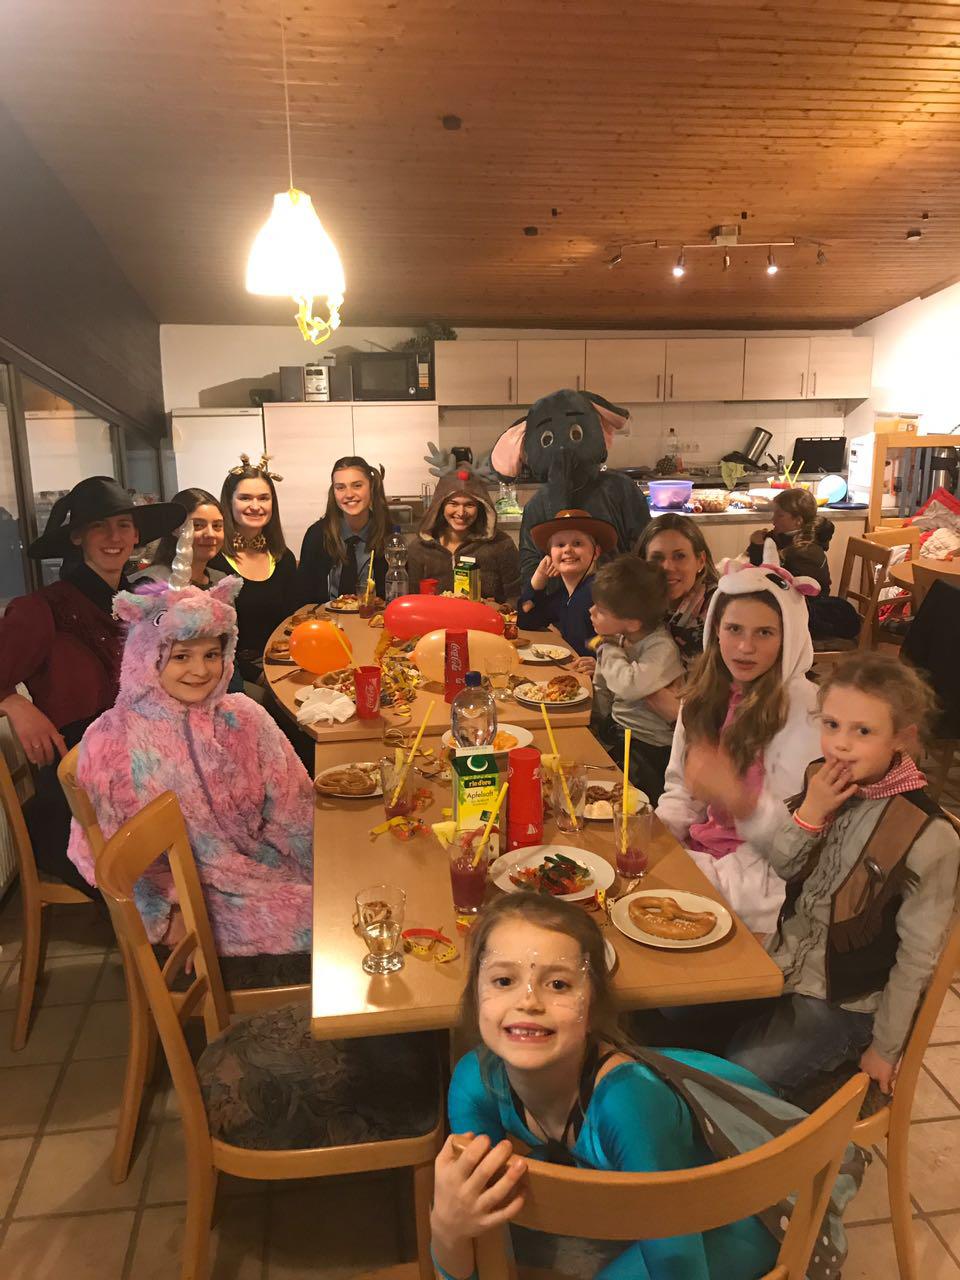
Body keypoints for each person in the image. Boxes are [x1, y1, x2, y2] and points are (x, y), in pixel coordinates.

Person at [430, 894, 780, 1280]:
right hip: (651, 1187)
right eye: (503, 980)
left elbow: (681, 1270)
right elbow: (475, 1261)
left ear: (592, 1004)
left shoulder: (630, 1105)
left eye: (559, 984)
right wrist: (448, 1226)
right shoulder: (475, 1082)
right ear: (475, 993)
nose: (528, 1001)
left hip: (750, 1206)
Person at [691, 653, 960, 1103]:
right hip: (786, 964)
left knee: (740, 1072)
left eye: (864, 731)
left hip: (847, 1003)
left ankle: (770, 1126)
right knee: (675, 1012)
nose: (841, 745)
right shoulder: (824, 779)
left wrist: (885, 1048)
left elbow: (918, 958)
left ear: (903, 738)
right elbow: (785, 865)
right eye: (831, 725)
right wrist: (811, 813)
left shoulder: (928, 835)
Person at [66, 577, 313, 957]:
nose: (200, 670)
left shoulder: (245, 717)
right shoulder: (113, 740)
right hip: (194, 898)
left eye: (211, 655)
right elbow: (100, 850)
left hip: (263, 863)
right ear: (147, 656)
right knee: (330, 922)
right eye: (181, 656)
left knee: (357, 896)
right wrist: (165, 912)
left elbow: (293, 806)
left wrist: (322, 859)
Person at [0, 477, 185, 893]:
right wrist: (12, 702)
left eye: (123, 525)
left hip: (150, 767)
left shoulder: (145, 604)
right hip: (80, 787)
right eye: (99, 526)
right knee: (159, 883)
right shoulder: (43, 608)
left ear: (136, 536)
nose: (113, 537)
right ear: (78, 537)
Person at [657, 561, 821, 934]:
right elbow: (681, 788)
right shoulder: (702, 696)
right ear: (716, 629)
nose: (746, 648)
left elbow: (796, 847)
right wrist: (660, 832)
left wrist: (737, 797)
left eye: (765, 632)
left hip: (762, 886)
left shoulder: (808, 712)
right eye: (734, 629)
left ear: (789, 638)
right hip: (706, 858)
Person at [589, 556, 684, 802]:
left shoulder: (661, 648)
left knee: (632, 804)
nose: (591, 612)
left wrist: (607, 649)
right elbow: (603, 687)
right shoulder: (621, 638)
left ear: (632, 623)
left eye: (601, 611)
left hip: (649, 748)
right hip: (619, 732)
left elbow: (629, 686)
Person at [208, 454, 297, 687]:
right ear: (229, 503)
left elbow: (293, 623)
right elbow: (215, 641)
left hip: (283, 665)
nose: (256, 506)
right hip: (234, 675)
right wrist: (259, 677)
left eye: (263, 498)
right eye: (245, 498)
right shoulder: (214, 561)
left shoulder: (283, 558)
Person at [518, 508, 615, 665]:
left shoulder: (603, 591)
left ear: (596, 552)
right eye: (560, 544)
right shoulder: (564, 596)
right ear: (550, 555)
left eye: (577, 543)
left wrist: (600, 667)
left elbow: (624, 643)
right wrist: (538, 580)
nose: (568, 550)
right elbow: (527, 621)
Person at [407, 468, 520, 602]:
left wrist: (499, 608)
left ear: (481, 507)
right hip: (433, 616)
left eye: (469, 505)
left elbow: (517, 597)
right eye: (453, 504)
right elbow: (411, 600)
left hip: (488, 615)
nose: (461, 512)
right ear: (440, 506)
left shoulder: (501, 544)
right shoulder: (419, 549)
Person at [295, 456, 390, 607]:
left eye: (357, 485)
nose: (349, 494)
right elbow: (303, 598)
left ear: (371, 486)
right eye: (340, 487)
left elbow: (394, 598)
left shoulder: (389, 536)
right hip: (325, 619)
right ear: (333, 492)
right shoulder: (317, 536)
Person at [636, 513, 719, 667]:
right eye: (657, 558)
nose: (667, 567)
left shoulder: (721, 610)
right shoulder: (631, 605)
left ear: (700, 561)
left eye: (679, 556)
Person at [746, 488, 833, 596]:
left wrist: (758, 547)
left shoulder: (806, 552)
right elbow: (757, 572)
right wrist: (757, 544)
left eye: (780, 515)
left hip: (807, 604)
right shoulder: (780, 537)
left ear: (798, 521)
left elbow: (780, 585)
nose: (773, 520)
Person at [137, 487, 226, 588]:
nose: (211, 534)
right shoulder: (150, 583)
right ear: (174, 529)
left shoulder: (221, 581)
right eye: (197, 525)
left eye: (217, 525)